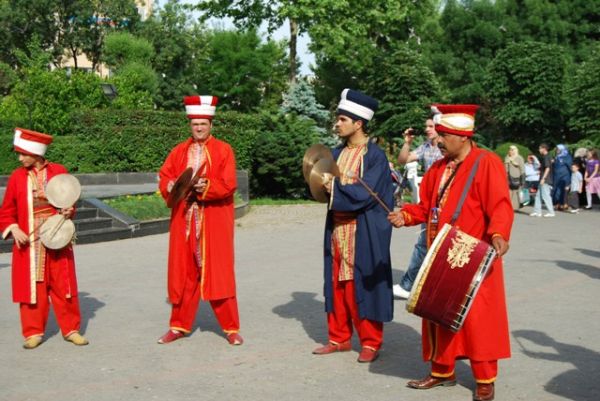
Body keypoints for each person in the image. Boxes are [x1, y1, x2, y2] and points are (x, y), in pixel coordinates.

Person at [388, 104, 513, 401]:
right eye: (438, 134)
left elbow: (500, 205)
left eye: (444, 135)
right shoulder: (437, 169)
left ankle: (485, 379)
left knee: (479, 319)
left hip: (475, 254)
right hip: (440, 253)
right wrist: (405, 216)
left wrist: (499, 234)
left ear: (463, 136)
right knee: (438, 312)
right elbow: (426, 207)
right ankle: (442, 371)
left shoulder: (487, 163)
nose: (438, 141)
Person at [312, 89, 394, 363]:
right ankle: (339, 338)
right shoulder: (335, 153)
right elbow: (322, 187)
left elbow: (366, 193)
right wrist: (318, 182)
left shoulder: (375, 156)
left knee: (362, 283)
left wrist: (333, 186)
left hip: (363, 229)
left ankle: (370, 342)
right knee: (336, 283)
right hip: (337, 229)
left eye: (343, 119)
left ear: (358, 123)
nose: (337, 124)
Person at [157, 96, 243, 346]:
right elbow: (165, 176)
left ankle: (231, 328)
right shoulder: (178, 151)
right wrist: (170, 185)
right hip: (184, 220)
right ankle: (178, 326)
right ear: (190, 125)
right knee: (184, 274)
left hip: (212, 220)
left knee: (218, 273)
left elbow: (228, 184)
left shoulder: (224, 150)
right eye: (195, 124)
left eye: (203, 124)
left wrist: (207, 185)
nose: (199, 128)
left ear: (210, 124)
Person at [0, 128, 88, 349]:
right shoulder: (17, 177)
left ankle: (71, 329)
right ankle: (33, 332)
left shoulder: (59, 171)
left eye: (23, 153)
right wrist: (14, 228)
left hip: (58, 235)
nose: (20, 158)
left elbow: (69, 201)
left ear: (35, 153)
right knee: (33, 286)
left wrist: (69, 210)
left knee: (63, 284)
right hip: (30, 242)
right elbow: (6, 211)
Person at [392, 119, 443, 299]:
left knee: (430, 244)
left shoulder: (447, 147)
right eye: (426, 126)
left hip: (445, 200)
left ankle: (410, 285)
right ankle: (410, 285)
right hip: (430, 201)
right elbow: (402, 160)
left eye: (431, 126)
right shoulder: (426, 147)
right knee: (424, 243)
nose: (427, 129)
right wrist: (407, 143)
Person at [530, 143, 555, 217]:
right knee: (538, 196)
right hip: (543, 178)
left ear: (544, 149)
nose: (539, 150)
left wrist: (543, 178)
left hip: (545, 179)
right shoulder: (546, 156)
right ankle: (537, 211)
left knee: (546, 196)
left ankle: (551, 212)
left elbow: (548, 168)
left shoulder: (547, 157)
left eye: (540, 148)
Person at [551, 144, 572, 211]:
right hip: (556, 176)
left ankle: (562, 204)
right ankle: (556, 204)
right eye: (556, 149)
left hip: (564, 176)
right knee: (555, 190)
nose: (556, 150)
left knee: (562, 190)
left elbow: (570, 167)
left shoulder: (567, 157)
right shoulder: (557, 157)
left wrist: (572, 177)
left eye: (558, 149)